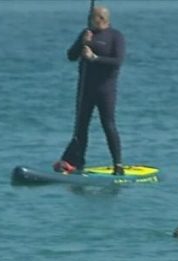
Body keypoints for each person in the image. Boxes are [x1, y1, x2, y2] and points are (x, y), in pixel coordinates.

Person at [54, 5, 125, 175]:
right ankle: (76, 163)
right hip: (85, 88)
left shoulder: (115, 36)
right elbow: (71, 56)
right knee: (81, 126)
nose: (90, 21)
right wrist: (82, 43)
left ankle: (118, 165)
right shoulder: (86, 33)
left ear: (101, 18)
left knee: (108, 125)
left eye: (93, 17)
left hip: (105, 89)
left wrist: (95, 58)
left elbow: (117, 61)